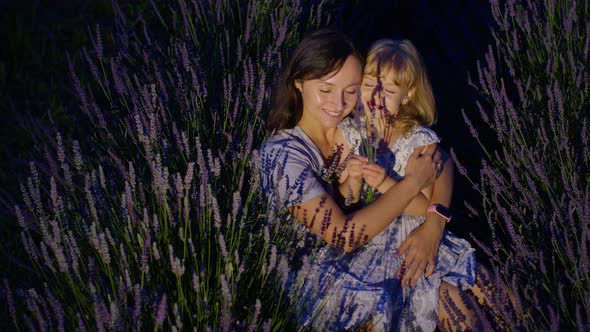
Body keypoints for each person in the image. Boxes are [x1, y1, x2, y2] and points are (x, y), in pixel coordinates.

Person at [259, 30, 443, 331]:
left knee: (471, 292)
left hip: (384, 248)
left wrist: (436, 221)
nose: (339, 102)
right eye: (326, 89)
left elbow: (437, 159)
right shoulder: (281, 156)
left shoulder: (353, 126)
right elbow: (343, 237)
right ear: (298, 82)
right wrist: (410, 184)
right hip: (313, 275)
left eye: (351, 89)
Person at [337, 38, 477, 330]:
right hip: (367, 239)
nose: (375, 96)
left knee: (453, 301)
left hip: (409, 239)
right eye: (369, 84)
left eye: (388, 91)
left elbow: (423, 206)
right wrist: (352, 177)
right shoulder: (348, 133)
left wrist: (388, 183)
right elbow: (346, 199)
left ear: (408, 95)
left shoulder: (416, 140)